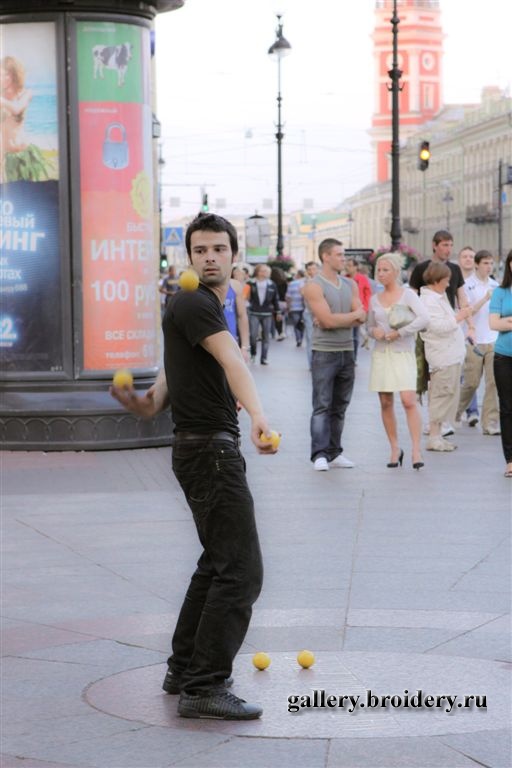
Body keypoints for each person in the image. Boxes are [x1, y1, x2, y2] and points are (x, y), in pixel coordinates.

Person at [111, 212, 278, 720]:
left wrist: (141, 403)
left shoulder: (198, 305)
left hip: (200, 448)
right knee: (241, 572)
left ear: (233, 254)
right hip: (211, 452)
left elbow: (163, 389)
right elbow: (233, 361)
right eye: (200, 250)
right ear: (189, 257)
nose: (209, 258)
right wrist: (259, 416)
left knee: (217, 563)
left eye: (218, 249)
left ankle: (185, 669)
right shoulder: (193, 301)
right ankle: (205, 684)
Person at [303, 238, 366, 471]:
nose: (344, 259)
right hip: (324, 352)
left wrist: (336, 319)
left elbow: (362, 316)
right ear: (326, 256)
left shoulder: (350, 284)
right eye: (339, 254)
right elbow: (328, 321)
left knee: (340, 406)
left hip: (347, 351)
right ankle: (319, 454)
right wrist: (349, 316)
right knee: (322, 405)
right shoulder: (313, 286)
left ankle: (334, 452)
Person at [409, 230, 475, 435]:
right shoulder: (421, 268)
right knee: (430, 375)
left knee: (449, 376)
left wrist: (471, 325)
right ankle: (434, 421)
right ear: (434, 245)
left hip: (451, 326)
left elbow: (462, 299)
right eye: (445, 245)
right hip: (429, 328)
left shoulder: (454, 269)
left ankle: (440, 421)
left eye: (451, 245)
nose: (448, 249)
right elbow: (411, 297)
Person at [367, 253, 429, 469]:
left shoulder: (408, 295)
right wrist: (373, 332)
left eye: (385, 270)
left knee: (408, 400)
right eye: (378, 270)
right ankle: (394, 448)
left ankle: (416, 450)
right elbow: (368, 326)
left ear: (395, 271)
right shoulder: (374, 299)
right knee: (385, 401)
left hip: (403, 353)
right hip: (382, 354)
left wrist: (400, 332)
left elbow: (424, 319)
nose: (381, 274)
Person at [419, 262, 472, 451]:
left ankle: (439, 435)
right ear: (437, 280)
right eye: (446, 280)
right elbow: (437, 327)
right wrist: (459, 317)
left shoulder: (438, 298)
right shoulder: (428, 301)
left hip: (450, 355)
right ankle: (434, 437)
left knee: (447, 395)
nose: (449, 284)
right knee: (441, 395)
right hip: (442, 356)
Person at [456, 250, 499, 435]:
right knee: (471, 383)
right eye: (485, 263)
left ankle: (489, 423)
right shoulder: (466, 285)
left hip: (493, 340)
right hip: (473, 341)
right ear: (477, 265)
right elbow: (467, 312)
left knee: (493, 383)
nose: (489, 267)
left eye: (491, 263)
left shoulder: (496, 285)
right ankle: (453, 413)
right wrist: (485, 298)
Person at [0, 56, 51, 182]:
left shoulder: (26, 93)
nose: (3, 78)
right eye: (1, 74)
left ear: (15, 75)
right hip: (6, 157)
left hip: (25, 154)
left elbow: (17, 109)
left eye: (7, 74)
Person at [489, 249, 512, 478]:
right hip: (504, 356)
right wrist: (504, 322)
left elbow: (501, 322)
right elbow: (493, 324)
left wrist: (507, 321)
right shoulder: (501, 292)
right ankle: (510, 460)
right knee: (507, 408)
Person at [457, 246, 479, 426]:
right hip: (456, 333)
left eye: (471, 256)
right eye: (465, 256)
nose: (468, 259)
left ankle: (472, 411)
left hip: (473, 335)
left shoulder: (481, 282)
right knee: (458, 376)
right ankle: (457, 410)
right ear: (459, 260)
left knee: (471, 375)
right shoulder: (453, 280)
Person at [247, 264, 281, 365]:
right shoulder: (251, 283)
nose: (265, 273)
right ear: (258, 272)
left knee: (266, 336)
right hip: (254, 312)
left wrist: (278, 312)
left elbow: (275, 299)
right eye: (263, 271)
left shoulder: (272, 284)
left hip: (267, 313)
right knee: (253, 335)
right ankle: (253, 354)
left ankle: (264, 358)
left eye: (266, 271)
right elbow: (246, 297)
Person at [344, 256, 372, 360]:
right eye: (346, 265)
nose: (347, 267)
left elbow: (367, 294)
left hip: (358, 310)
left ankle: (353, 357)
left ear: (356, 267)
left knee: (355, 336)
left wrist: (365, 308)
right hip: (346, 311)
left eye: (349, 265)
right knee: (346, 335)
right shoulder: (344, 278)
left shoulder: (362, 278)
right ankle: (347, 357)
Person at [224, 275, 250, 361]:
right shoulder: (196, 283)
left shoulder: (234, 285)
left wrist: (244, 347)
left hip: (230, 339)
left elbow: (242, 315)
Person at [302, 261, 319, 368]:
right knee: (310, 338)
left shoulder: (322, 281)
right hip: (309, 313)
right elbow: (304, 295)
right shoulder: (305, 282)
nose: (312, 271)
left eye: (314, 269)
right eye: (309, 269)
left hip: (321, 313)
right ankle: (312, 364)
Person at [286, 269, 306, 346]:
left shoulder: (292, 283)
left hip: (294, 307)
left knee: (296, 323)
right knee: (302, 323)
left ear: (298, 275)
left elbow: (288, 296)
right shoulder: (306, 283)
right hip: (305, 307)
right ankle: (301, 337)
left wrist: (288, 307)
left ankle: (298, 339)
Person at [270, 266, 288, 340]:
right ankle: (282, 332)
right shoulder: (284, 282)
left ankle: (278, 332)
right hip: (283, 303)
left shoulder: (271, 282)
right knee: (281, 318)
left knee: (275, 318)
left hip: (275, 303)